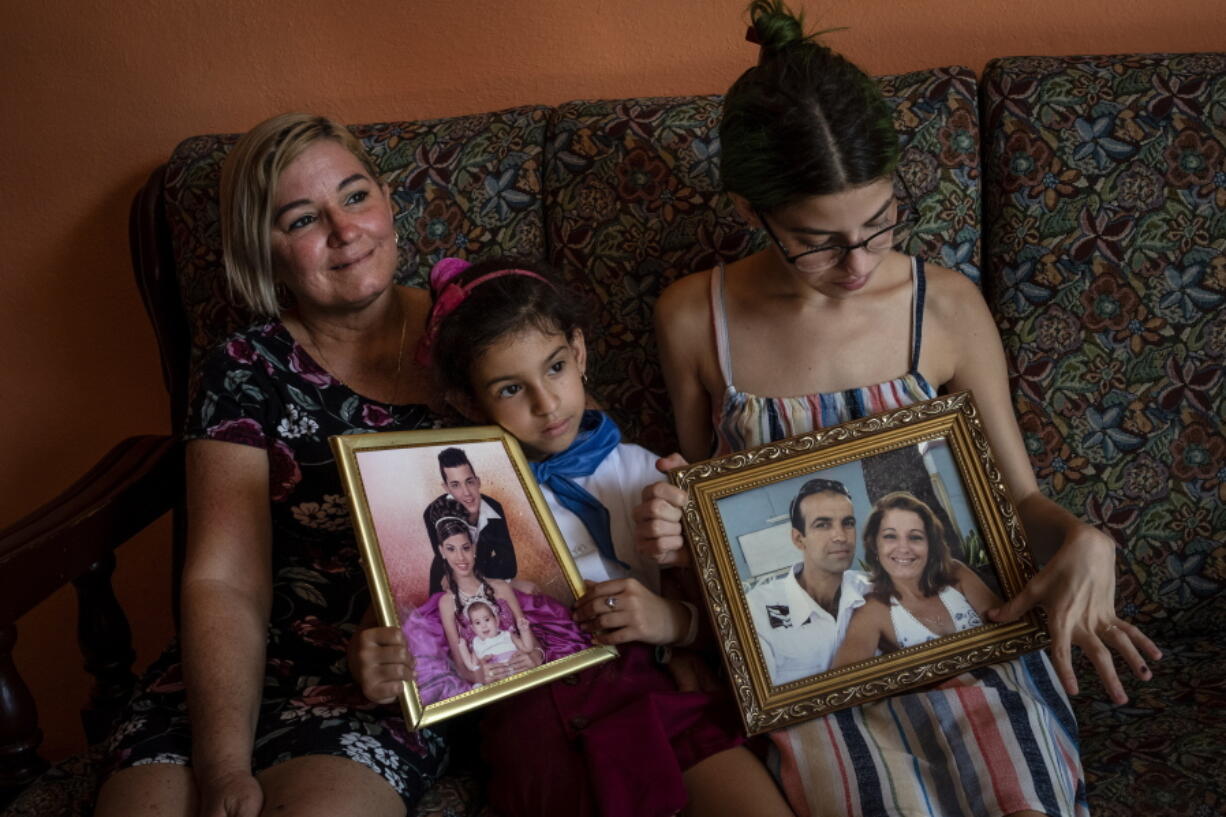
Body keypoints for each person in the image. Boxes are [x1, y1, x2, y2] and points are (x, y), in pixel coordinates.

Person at [649, 3, 1162, 815]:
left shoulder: (946, 306)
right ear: (751, 212)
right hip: (815, 673)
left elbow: (1018, 504)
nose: (857, 263)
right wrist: (673, 520)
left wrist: (1084, 539)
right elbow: (705, 530)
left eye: (880, 221)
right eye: (819, 239)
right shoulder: (691, 316)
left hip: (971, 648)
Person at [94, 113, 450, 817]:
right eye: (301, 219)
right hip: (240, 664)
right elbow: (225, 579)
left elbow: (571, 464)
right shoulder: (246, 369)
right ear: (264, 249)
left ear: (387, 200)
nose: (345, 231)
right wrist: (224, 768)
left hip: (390, 674)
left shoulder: (472, 332)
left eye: (355, 196)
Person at [352, 257, 794, 817]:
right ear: (467, 403)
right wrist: (377, 664)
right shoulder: (443, 509)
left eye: (555, 367)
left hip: (655, 697)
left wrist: (672, 619)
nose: (546, 403)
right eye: (512, 388)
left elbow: (758, 619)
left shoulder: (647, 474)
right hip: (530, 723)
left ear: (580, 353)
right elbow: (408, 633)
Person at [405, 502, 584, 705]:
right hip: (493, 686)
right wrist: (479, 676)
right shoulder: (447, 603)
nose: (460, 557)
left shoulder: (501, 588)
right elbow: (460, 663)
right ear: (442, 552)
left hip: (525, 670)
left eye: (465, 548)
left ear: (473, 548)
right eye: (451, 549)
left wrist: (535, 657)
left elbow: (529, 636)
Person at [831, 492, 1001, 667]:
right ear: (875, 545)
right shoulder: (874, 611)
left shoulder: (956, 574)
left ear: (930, 544)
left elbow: (1008, 628)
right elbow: (843, 685)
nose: (904, 548)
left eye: (915, 537)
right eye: (890, 536)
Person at [745, 478, 871, 683]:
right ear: (798, 539)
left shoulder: (875, 592)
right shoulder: (756, 608)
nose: (840, 536)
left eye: (847, 523)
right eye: (823, 524)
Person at [423, 446, 517, 593]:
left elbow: (509, 564)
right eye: (455, 485)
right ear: (446, 488)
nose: (467, 493)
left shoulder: (494, 508)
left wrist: (481, 578)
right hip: (446, 583)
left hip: (485, 581)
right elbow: (445, 559)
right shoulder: (433, 512)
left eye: (469, 482)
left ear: (478, 482)